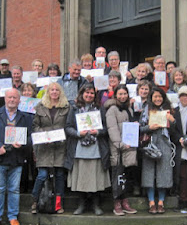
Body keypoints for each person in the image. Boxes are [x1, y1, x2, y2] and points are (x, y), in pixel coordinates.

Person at [0, 89, 33, 225]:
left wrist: (23, 143)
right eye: (9, 97)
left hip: (17, 158)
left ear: (19, 100)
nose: (12, 100)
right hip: (0, 157)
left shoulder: (26, 117)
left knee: (14, 189)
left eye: (15, 98)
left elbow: (31, 136)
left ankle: (13, 217)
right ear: (5, 99)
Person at [64, 83, 111, 216]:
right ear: (82, 94)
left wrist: (98, 131)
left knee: (96, 178)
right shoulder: (74, 109)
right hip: (79, 148)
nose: (89, 95)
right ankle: (81, 204)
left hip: (96, 149)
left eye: (92, 93)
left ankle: (96, 204)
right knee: (81, 179)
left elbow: (107, 129)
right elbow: (68, 127)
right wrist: (78, 133)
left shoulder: (100, 109)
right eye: (87, 92)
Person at [31, 83, 69, 214]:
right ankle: (35, 201)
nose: (54, 92)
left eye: (57, 90)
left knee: (59, 175)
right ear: (48, 92)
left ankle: (58, 205)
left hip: (60, 147)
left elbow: (68, 125)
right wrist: (46, 134)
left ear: (60, 92)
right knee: (42, 175)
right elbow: (35, 126)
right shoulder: (40, 107)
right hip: (44, 147)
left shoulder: (66, 107)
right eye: (52, 90)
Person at [140, 87, 176, 214]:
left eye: (160, 96)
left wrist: (172, 120)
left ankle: (161, 202)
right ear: (151, 98)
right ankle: (151, 202)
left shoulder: (169, 111)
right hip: (150, 143)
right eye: (155, 96)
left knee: (164, 173)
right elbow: (139, 128)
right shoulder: (146, 110)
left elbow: (176, 131)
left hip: (165, 143)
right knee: (149, 173)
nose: (158, 99)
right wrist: (149, 127)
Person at [105, 85, 138, 216]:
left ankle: (125, 201)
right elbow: (112, 129)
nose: (123, 96)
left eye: (125, 94)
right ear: (116, 95)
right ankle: (116, 203)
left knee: (125, 176)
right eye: (120, 94)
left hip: (129, 148)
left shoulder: (128, 108)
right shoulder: (112, 110)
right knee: (117, 175)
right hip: (118, 149)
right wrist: (120, 144)